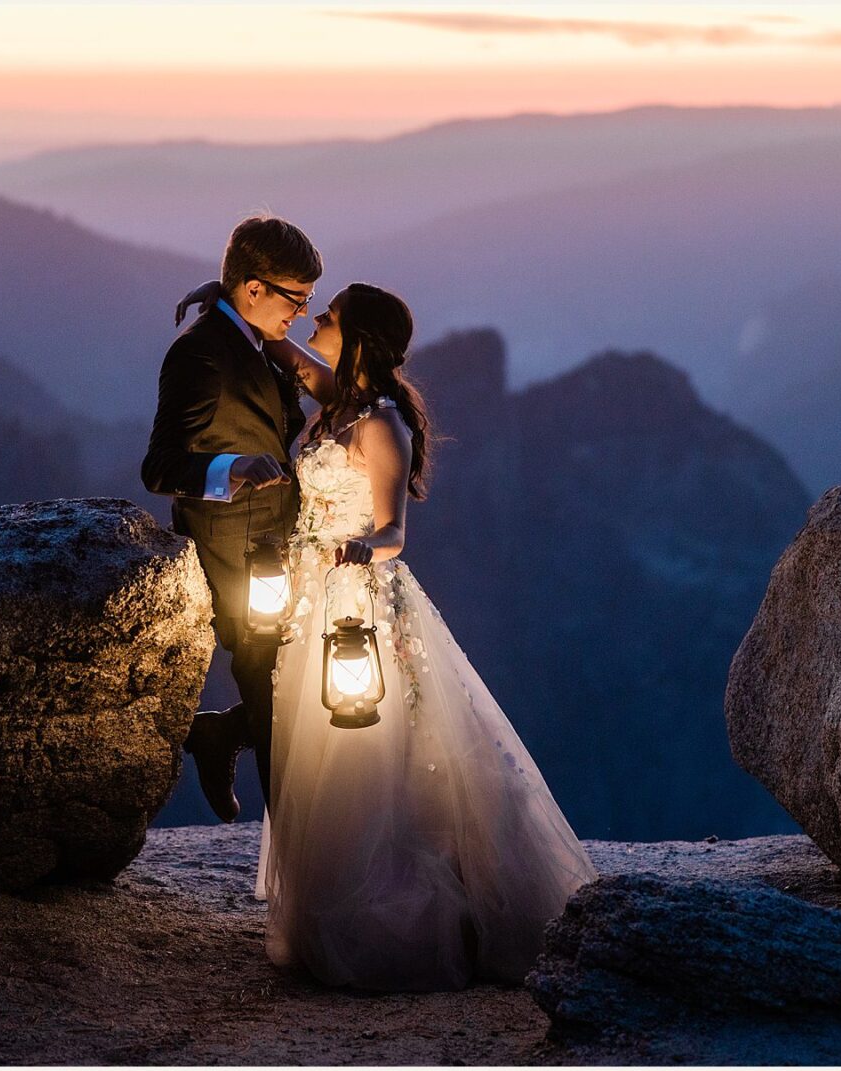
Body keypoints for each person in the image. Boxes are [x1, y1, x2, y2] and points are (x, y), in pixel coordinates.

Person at [249, 282, 599, 991]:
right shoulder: (337, 400)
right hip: (311, 602)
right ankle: (328, 901)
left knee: (368, 754)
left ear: (359, 340)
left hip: (358, 603)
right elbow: (281, 350)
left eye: (330, 317)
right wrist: (231, 303)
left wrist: (353, 550)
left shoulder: (380, 424)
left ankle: (389, 912)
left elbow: (393, 533)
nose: (316, 321)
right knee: (317, 752)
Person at [141, 215, 322, 821]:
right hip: (235, 558)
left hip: (282, 542)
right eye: (295, 298)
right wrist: (230, 467)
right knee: (275, 707)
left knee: (300, 688)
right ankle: (298, 858)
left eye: (308, 299)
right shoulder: (198, 356)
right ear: (253, 289)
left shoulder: (256, 339)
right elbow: (160, 467)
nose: (301, 311)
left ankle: (219, 736)